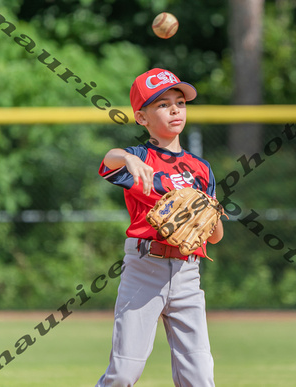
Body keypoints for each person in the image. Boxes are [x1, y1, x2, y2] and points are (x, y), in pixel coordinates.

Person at [95, 68, 223, 387]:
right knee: (124, 372)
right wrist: (127, 158)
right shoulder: (140, 158)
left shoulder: (201, 169)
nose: (175, 109)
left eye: (179, 102)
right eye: (163, 105)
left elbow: (216, 236)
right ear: (142, 117)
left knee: (200, 376)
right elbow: (107, 162)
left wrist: (208, 215)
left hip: (187, 271)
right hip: (144, 268)